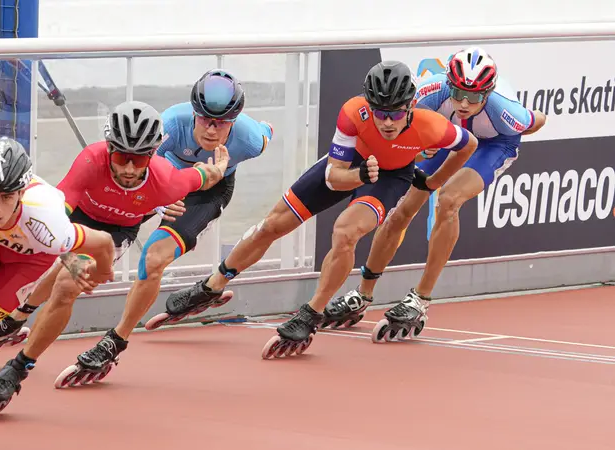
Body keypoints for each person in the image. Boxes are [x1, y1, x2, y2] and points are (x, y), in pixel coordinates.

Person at [148, 60, 478, 360]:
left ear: (411, 107)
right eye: (380, 113)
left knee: (345, 233)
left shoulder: (432, 126)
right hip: (350, 166)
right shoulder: (353, 113)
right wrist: (360, 175)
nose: (388, 122)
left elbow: (469, 145)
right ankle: (212, 286)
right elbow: (334, 178)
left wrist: (434, 181)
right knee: (272, 225)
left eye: (395, 114)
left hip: (390, 177)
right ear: (369, 106)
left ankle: (311, 313)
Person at [0, 101, 229, 388]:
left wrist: (219, 167)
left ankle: (18, 368)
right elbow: (55, 218)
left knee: (66, 286)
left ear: (153, 154)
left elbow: (205, 178)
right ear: (108, 148)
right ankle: (16, 319)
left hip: (116, 231)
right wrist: (64, 254)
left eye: (139, 160)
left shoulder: (167, 181)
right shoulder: (91, 160)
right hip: (75, 219)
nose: (129, 168)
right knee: (51, 270)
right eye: (121, 156)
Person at [51, 69, 273, 385]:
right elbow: (138, 169)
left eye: (222, 122)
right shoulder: (170, 124)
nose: (211, 129)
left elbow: (268, 131)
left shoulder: (251, 140)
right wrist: (157, 204)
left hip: (206, 192)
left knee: (153, 260)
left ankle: (115, 340)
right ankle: (20, 311)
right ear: (193, 113)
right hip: (159, 186)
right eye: (204, 119)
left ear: (235, 121)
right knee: (76, 248)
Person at [321, 47, 546, 343]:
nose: (464, 103)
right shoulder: (431, 92)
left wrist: (486, 142)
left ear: (488, 93)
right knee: (401, 212)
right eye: (458, 94)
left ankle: (420, 299)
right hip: (450, 138)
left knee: (449, 200)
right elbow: (404, 122)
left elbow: (538, 120)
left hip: (493, 144)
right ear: (448, 84)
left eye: (474, 97)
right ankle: (363, 294)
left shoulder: (506, 111)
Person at [0, 137, 117, 421]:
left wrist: (102, 271)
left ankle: (16, 344)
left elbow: (103, 242)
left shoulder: (46, 221)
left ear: (21, 192)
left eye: (6, 197)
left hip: (28, 258)